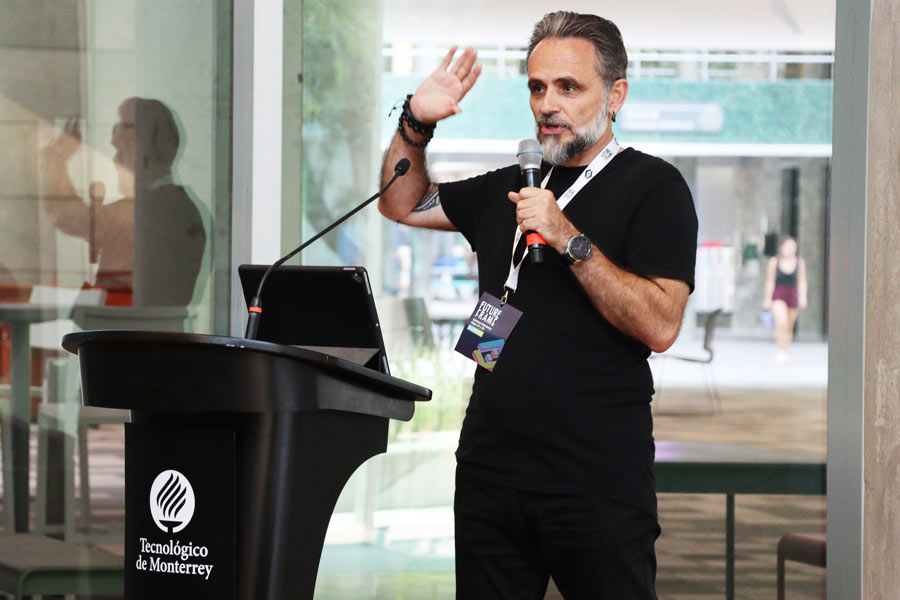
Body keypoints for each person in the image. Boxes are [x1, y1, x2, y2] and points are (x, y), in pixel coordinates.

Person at [378, 11, 698, 599]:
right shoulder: (513, 185)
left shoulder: (655, 188)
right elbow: (402, 203)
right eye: (536, 86)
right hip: (490, 473)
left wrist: (570, 240)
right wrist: (416, 123)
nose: (547, 103)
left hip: (595, 478)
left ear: (616, 94)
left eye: (568, 87)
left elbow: (661, 325)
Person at [40, 97, 206, 307]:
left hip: (130, 336)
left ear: (143, 151)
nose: (115, 161)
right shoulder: (184, 208)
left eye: (120, 151)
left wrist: (56, 158)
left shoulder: (142, 213)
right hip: (153, 334)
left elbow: (64, 214)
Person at [762, 236, 807, 364]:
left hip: (792, 295)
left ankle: (785, 349)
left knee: (788, 325)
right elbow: (770, 282)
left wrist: (803, 297)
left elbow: (802, 281)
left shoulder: (799, 262)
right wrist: (767, 299)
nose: (790, 249)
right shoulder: (774, 262)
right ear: (781, 248)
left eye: (792, 247)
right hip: (778, 295)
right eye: (787, 246)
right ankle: (780, 350)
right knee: (781, 322)